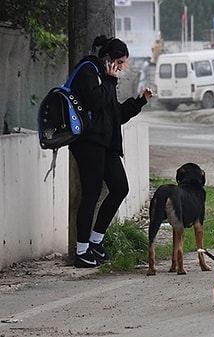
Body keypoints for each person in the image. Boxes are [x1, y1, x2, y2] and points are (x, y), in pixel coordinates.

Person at [68, 35, 153, 268]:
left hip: (106, 145)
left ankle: (96, 241)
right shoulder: (88, 71)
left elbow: (115, 115)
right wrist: (109, 81)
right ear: (109, 60)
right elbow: (94, 102)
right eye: (121, 62)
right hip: (88, 143)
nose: (123, 68)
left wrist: (140, 102)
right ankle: (81, 250)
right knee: (91, 195)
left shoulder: (105, 78)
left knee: (120, 188)